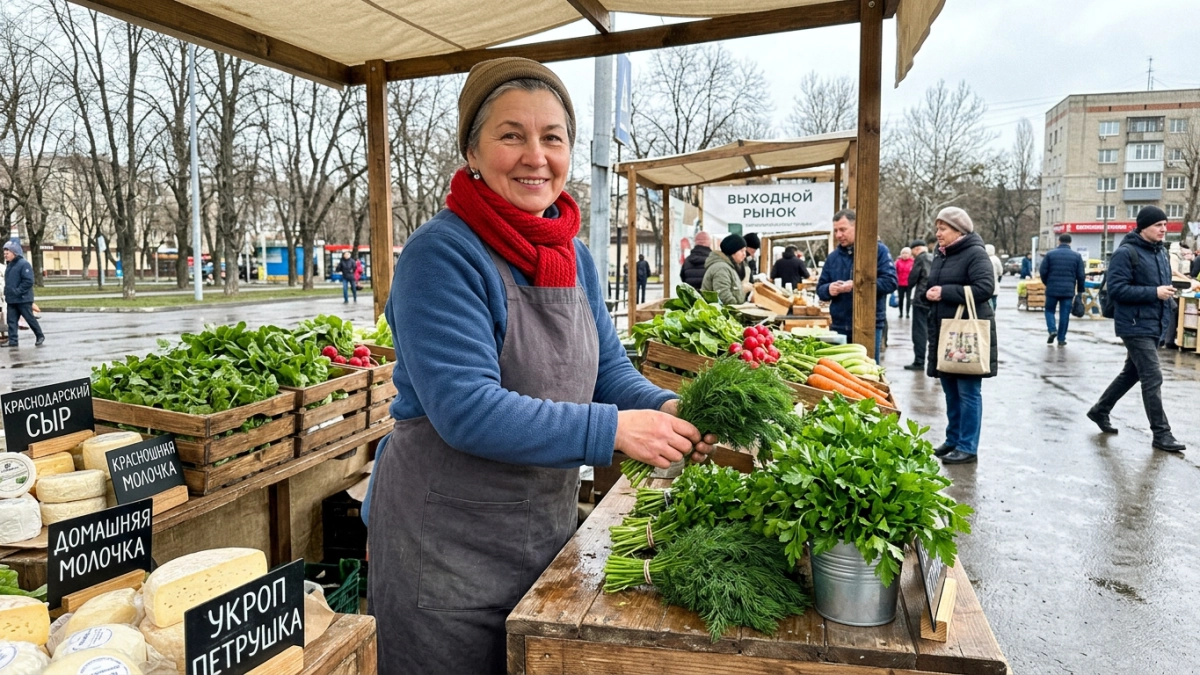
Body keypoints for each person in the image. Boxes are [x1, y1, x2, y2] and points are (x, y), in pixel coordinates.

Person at [367, 58, 717, 674]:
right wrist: (611, 430)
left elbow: (608, 369)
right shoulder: (440, 256)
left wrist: (664, 407)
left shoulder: (574, 257)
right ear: (471, 150)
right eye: (511, 135)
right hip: (444, 550)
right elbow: (467, 410)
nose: (536, 155)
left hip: (541, 536)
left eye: (552, 137)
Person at [1087, 206, 1186, 453]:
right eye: (1158, 225)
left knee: (1131, 373)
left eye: (1165, 224)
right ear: (1143, 227)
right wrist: (1155, 292)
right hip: (1133, 325)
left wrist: (1169, 297)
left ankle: (1100, 410)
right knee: (1153, 376)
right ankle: (1162, 434)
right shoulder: (1125, 252)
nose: (1164, 229)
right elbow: (1118, 289)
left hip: (1155, 323)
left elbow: (1162, 285)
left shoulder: (1160, 252)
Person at [924, 207, 997, 465]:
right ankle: (953, 439)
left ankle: (968, 447)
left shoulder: (975, 253)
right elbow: (933, 284)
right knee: (950, 389)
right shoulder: (941, 254)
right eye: (937, 228)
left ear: (959, 230)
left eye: (943, 228)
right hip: (945, 332)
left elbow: (985, 288)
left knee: (967, 391)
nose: (938, 233)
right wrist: (930, 293)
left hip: (966, 334)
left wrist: (945, 292)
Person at [816, 209, 898, 361]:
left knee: (868, 372)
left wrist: (857, 285)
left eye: (843, 229)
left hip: (869, 325)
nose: (838, 235)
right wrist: (829, 289)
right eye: (835, 231)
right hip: (839, 325)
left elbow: (890, 282)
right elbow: (820, 288)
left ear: (856, 227)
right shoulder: (833, 257)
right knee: (839, 372)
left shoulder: (878, 251)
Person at [1038, 234, 1085, 346]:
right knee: (1064, 314)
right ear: (1070, 242)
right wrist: (1080, 291)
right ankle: (1061, 338)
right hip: (1068, 291)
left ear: (1058, 241)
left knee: (1049, 311)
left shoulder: (1050, 255)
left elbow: (1043, 271)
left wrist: (1047, 283)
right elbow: (1081, 275)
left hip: (1052, 289)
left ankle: (1052, 330)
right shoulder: (1077, 256)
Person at [2, 241, 44, 347]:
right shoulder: (9, 265)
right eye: (4, 252)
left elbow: (28, 281)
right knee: (11, 321)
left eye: (7, 252)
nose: (5, 254)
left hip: (23, 299)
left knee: (29, 318)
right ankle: (13, 341)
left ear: (14, 253)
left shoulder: (24, 264)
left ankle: (40, 336)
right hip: (12, 299)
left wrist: (17, 291)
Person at [904, 239, 933, 371]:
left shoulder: (920, 259)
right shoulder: (935, 257)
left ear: (916, 249)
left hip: (921, 299)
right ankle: (935, 361)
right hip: (935, 299)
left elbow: (912, 279)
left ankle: (919, 361)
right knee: (934, 331)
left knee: (920, 331)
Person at [702, 233, 749, 305]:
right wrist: (739, 310)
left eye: (745, 251)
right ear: (732, 251)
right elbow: (724, 297)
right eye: (741, 251)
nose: (744, 254)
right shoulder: (721, 268)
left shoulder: (729, 266)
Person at [894, 246, 913, 318]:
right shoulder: (898, 262)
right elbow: (895, 272)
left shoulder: (913, 262)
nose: (905, 255)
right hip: (900, 283)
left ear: (909, 254)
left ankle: (907, 313)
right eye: (903, 253)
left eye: (906, 253)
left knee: (908, 299)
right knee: (900, 299)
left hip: (909, 283)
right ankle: (901, 312)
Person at [985, 244, 1003, 310]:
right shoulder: (996, 259)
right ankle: (993, 311)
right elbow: (1000, 271)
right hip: (994, 282)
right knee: (993, 299)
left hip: (985, 282)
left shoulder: (982, 258)